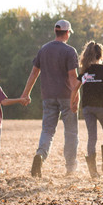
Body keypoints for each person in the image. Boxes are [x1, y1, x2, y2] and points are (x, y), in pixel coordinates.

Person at [21, 19, 79, 177]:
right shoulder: (70, 51)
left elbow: (34, 73)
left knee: (47, 130)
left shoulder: (43, 50)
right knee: (71, 132)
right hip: (67, 96)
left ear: (55, 32)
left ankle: (40, 155)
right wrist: (77, 96)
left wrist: (26, 93)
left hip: (48, 96)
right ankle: (70, 168)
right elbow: (73, 76)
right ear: (67, 33)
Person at [69, 41, 103, 178]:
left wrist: (72, 103)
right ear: (100, 55)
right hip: (101, 107)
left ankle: (93, 170)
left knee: (92, 136)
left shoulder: (85, 71)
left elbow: (75, 89)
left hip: (87, 108)